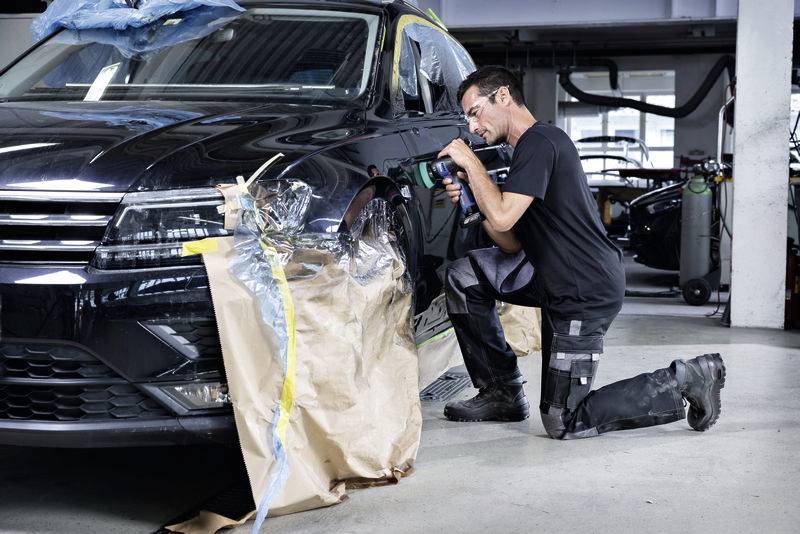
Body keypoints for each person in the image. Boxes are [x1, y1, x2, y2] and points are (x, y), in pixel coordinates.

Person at [437, 66, 725, 439]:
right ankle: (501, 393)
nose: (473, 127)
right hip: (550, 278)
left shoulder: (542, 142)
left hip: (584, 292)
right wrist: (477, 201)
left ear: (503, 96)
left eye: (475, 113)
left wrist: (473, 165)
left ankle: (688, 377)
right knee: (463, 277)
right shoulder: (525, 152)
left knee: (563, 421)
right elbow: (510, 242)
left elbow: (503, 214)